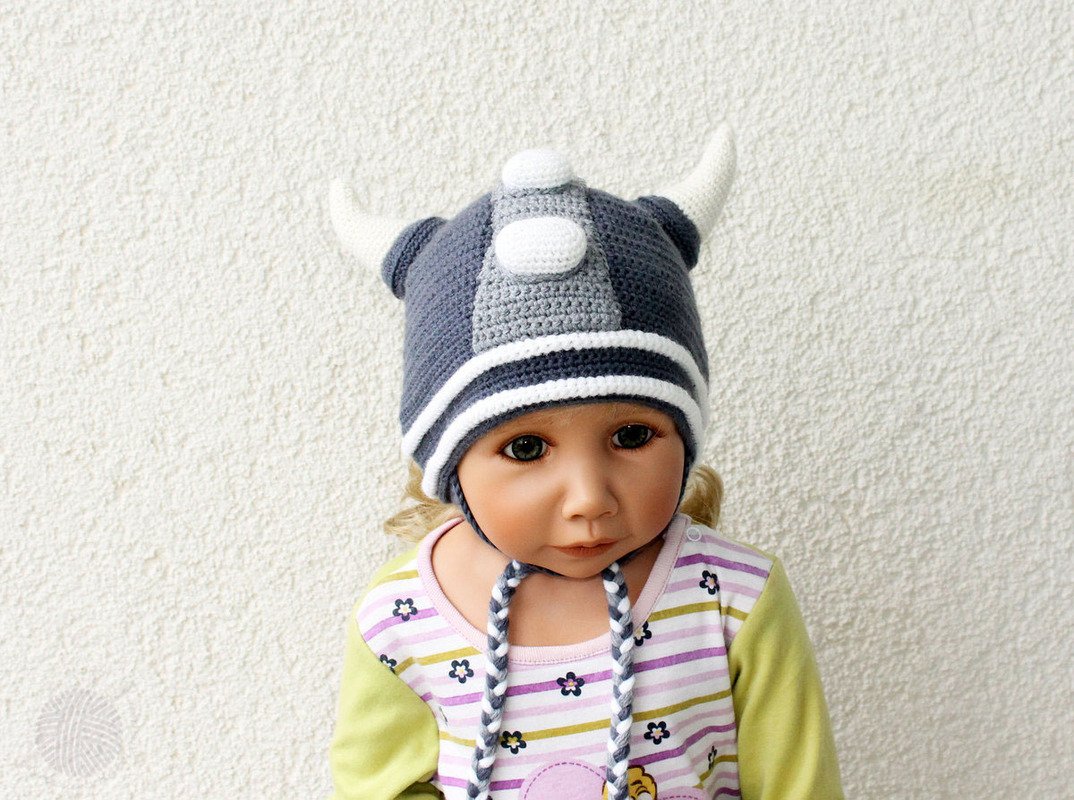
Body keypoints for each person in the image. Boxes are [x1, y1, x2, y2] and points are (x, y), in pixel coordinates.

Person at [324, 123, 844, 800]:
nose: (589, 496)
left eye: (631, 435)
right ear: (448, 461)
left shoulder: (734, 600)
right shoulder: (400, 620)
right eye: (525, 448)